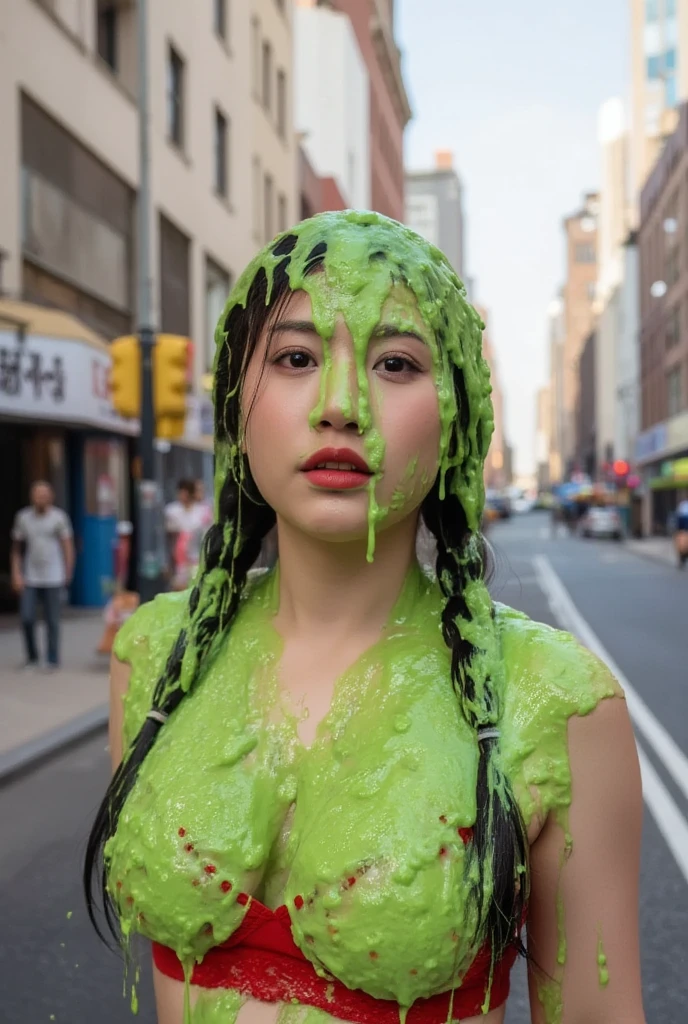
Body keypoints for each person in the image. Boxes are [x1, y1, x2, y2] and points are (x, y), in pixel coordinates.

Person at [85, 212, 645, 1024]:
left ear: (457, 418)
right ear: (237, 402)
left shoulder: (557, 703)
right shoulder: (154, 659)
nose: (340, 406)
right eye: (296, 358)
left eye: (395, 362)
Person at [11, 481, 74, 671]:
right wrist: (16, 573)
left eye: (44, 494)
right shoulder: (23, 517)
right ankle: (32, 657)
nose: (41, 498)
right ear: (32, 496)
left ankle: (52, 658)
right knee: (27, 617)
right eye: (37, 494)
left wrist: (68, 570)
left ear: (51, 496)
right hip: (31, 576)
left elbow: (67, 545)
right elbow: (17, 549)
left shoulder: (59, 517)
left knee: (52, 620)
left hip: (53, 575)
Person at [164, 479, 206, 591]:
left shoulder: (202, 511)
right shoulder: (172, 511)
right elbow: (170, 538)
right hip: (179, 556)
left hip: (197, 555)